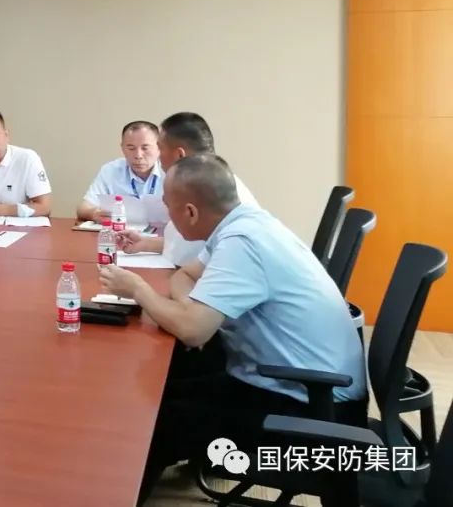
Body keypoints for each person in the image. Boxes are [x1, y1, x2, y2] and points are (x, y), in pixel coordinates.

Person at [99, 154, 366, 504]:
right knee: (160, 388)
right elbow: (185, 276)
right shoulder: (243, 224)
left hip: (312, 411)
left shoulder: (243, 243)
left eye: (167, 205)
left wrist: (139, 290)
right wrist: (190, 309)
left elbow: (194, 331)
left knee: (157, 420)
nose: (165, 213)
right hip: (296, 385)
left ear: (190, 212)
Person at [118, 112, 256, 266]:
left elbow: (185, 260)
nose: (158, 158)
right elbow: (191, 248)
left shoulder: (199, 190)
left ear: (179, 155)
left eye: (160, 149)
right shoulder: (217, 179)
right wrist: (145, 243)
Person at [76, 120, 163, 222]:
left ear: (159, 147)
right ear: (122, 148)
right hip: (120, 229)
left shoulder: (171, 171)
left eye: (145, 148)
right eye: (131, 148)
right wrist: (94, 214)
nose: (138, 155)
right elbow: (83, 208)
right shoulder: (111, 170)